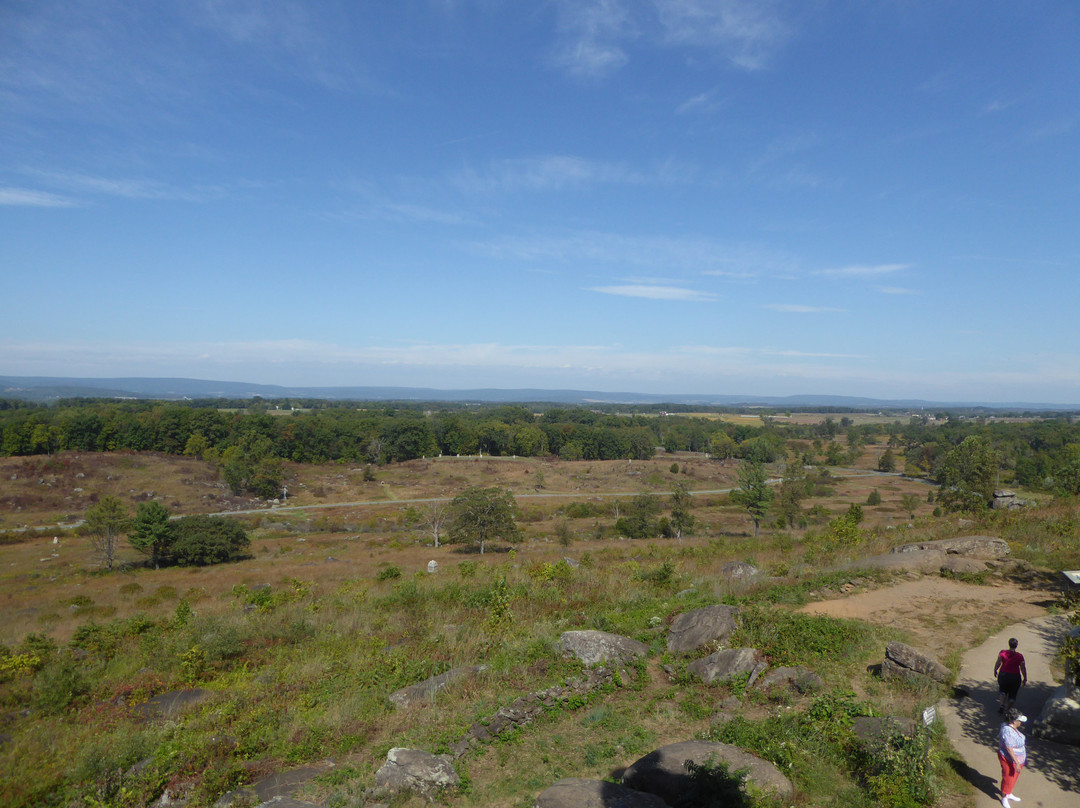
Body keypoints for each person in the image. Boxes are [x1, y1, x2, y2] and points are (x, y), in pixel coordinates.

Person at [997, 707, 1027, 806]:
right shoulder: (1008, 732)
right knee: (1008, 778)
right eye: (1019, 721)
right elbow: (1009, 749)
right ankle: (1004, 797)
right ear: (1014, 721)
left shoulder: (1011, 727)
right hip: (1010, 760)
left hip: (1017, 760)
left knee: (1013, 777)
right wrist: (1017, 763)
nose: (1021, 723)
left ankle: (1008, 793)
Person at [994, 638, 1027, 712]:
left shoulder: (1002, 653)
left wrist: (995, 670)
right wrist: (1025, 678)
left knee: (1002, 690)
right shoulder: (1020, 656)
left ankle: (1002, 705)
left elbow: (998, 662)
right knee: (1013, 693)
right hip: (1015, 677)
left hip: (1003, 675)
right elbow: (1022, 668)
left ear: (1009, 644)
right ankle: (1007, 709)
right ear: (1016, 645)